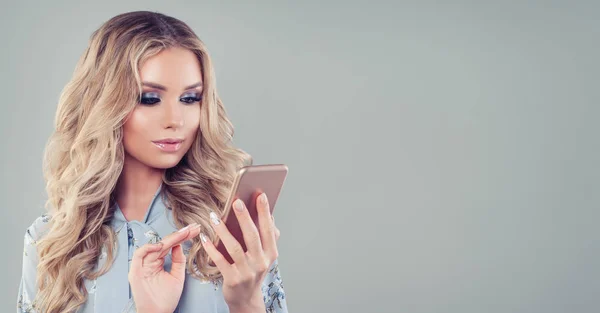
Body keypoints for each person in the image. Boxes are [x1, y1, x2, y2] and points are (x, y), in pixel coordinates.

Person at [17, 10, 288, 313]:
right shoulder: (50, 243)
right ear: (104, 103)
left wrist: (246, 302)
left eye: (190, 99)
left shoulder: (226, 232)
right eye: (149, 98)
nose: (175, 120)